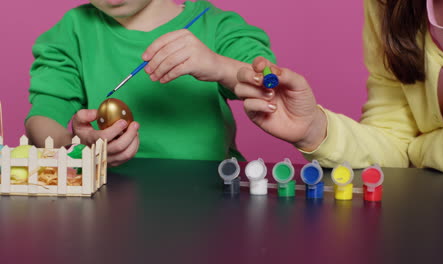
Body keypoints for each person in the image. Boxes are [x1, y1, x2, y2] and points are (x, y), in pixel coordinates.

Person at [25, 0, 275, 167]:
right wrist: (77, 149)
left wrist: (219, 66)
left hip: (210, 194)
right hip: (106, 199)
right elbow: (43, 116)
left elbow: (270, 84)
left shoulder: (216, 25)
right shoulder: (73, 29)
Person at [234, 0, 443, 176]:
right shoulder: (389, 4)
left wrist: (426, 148)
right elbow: (393, 142)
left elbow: (411, 150)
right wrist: (314, 129)